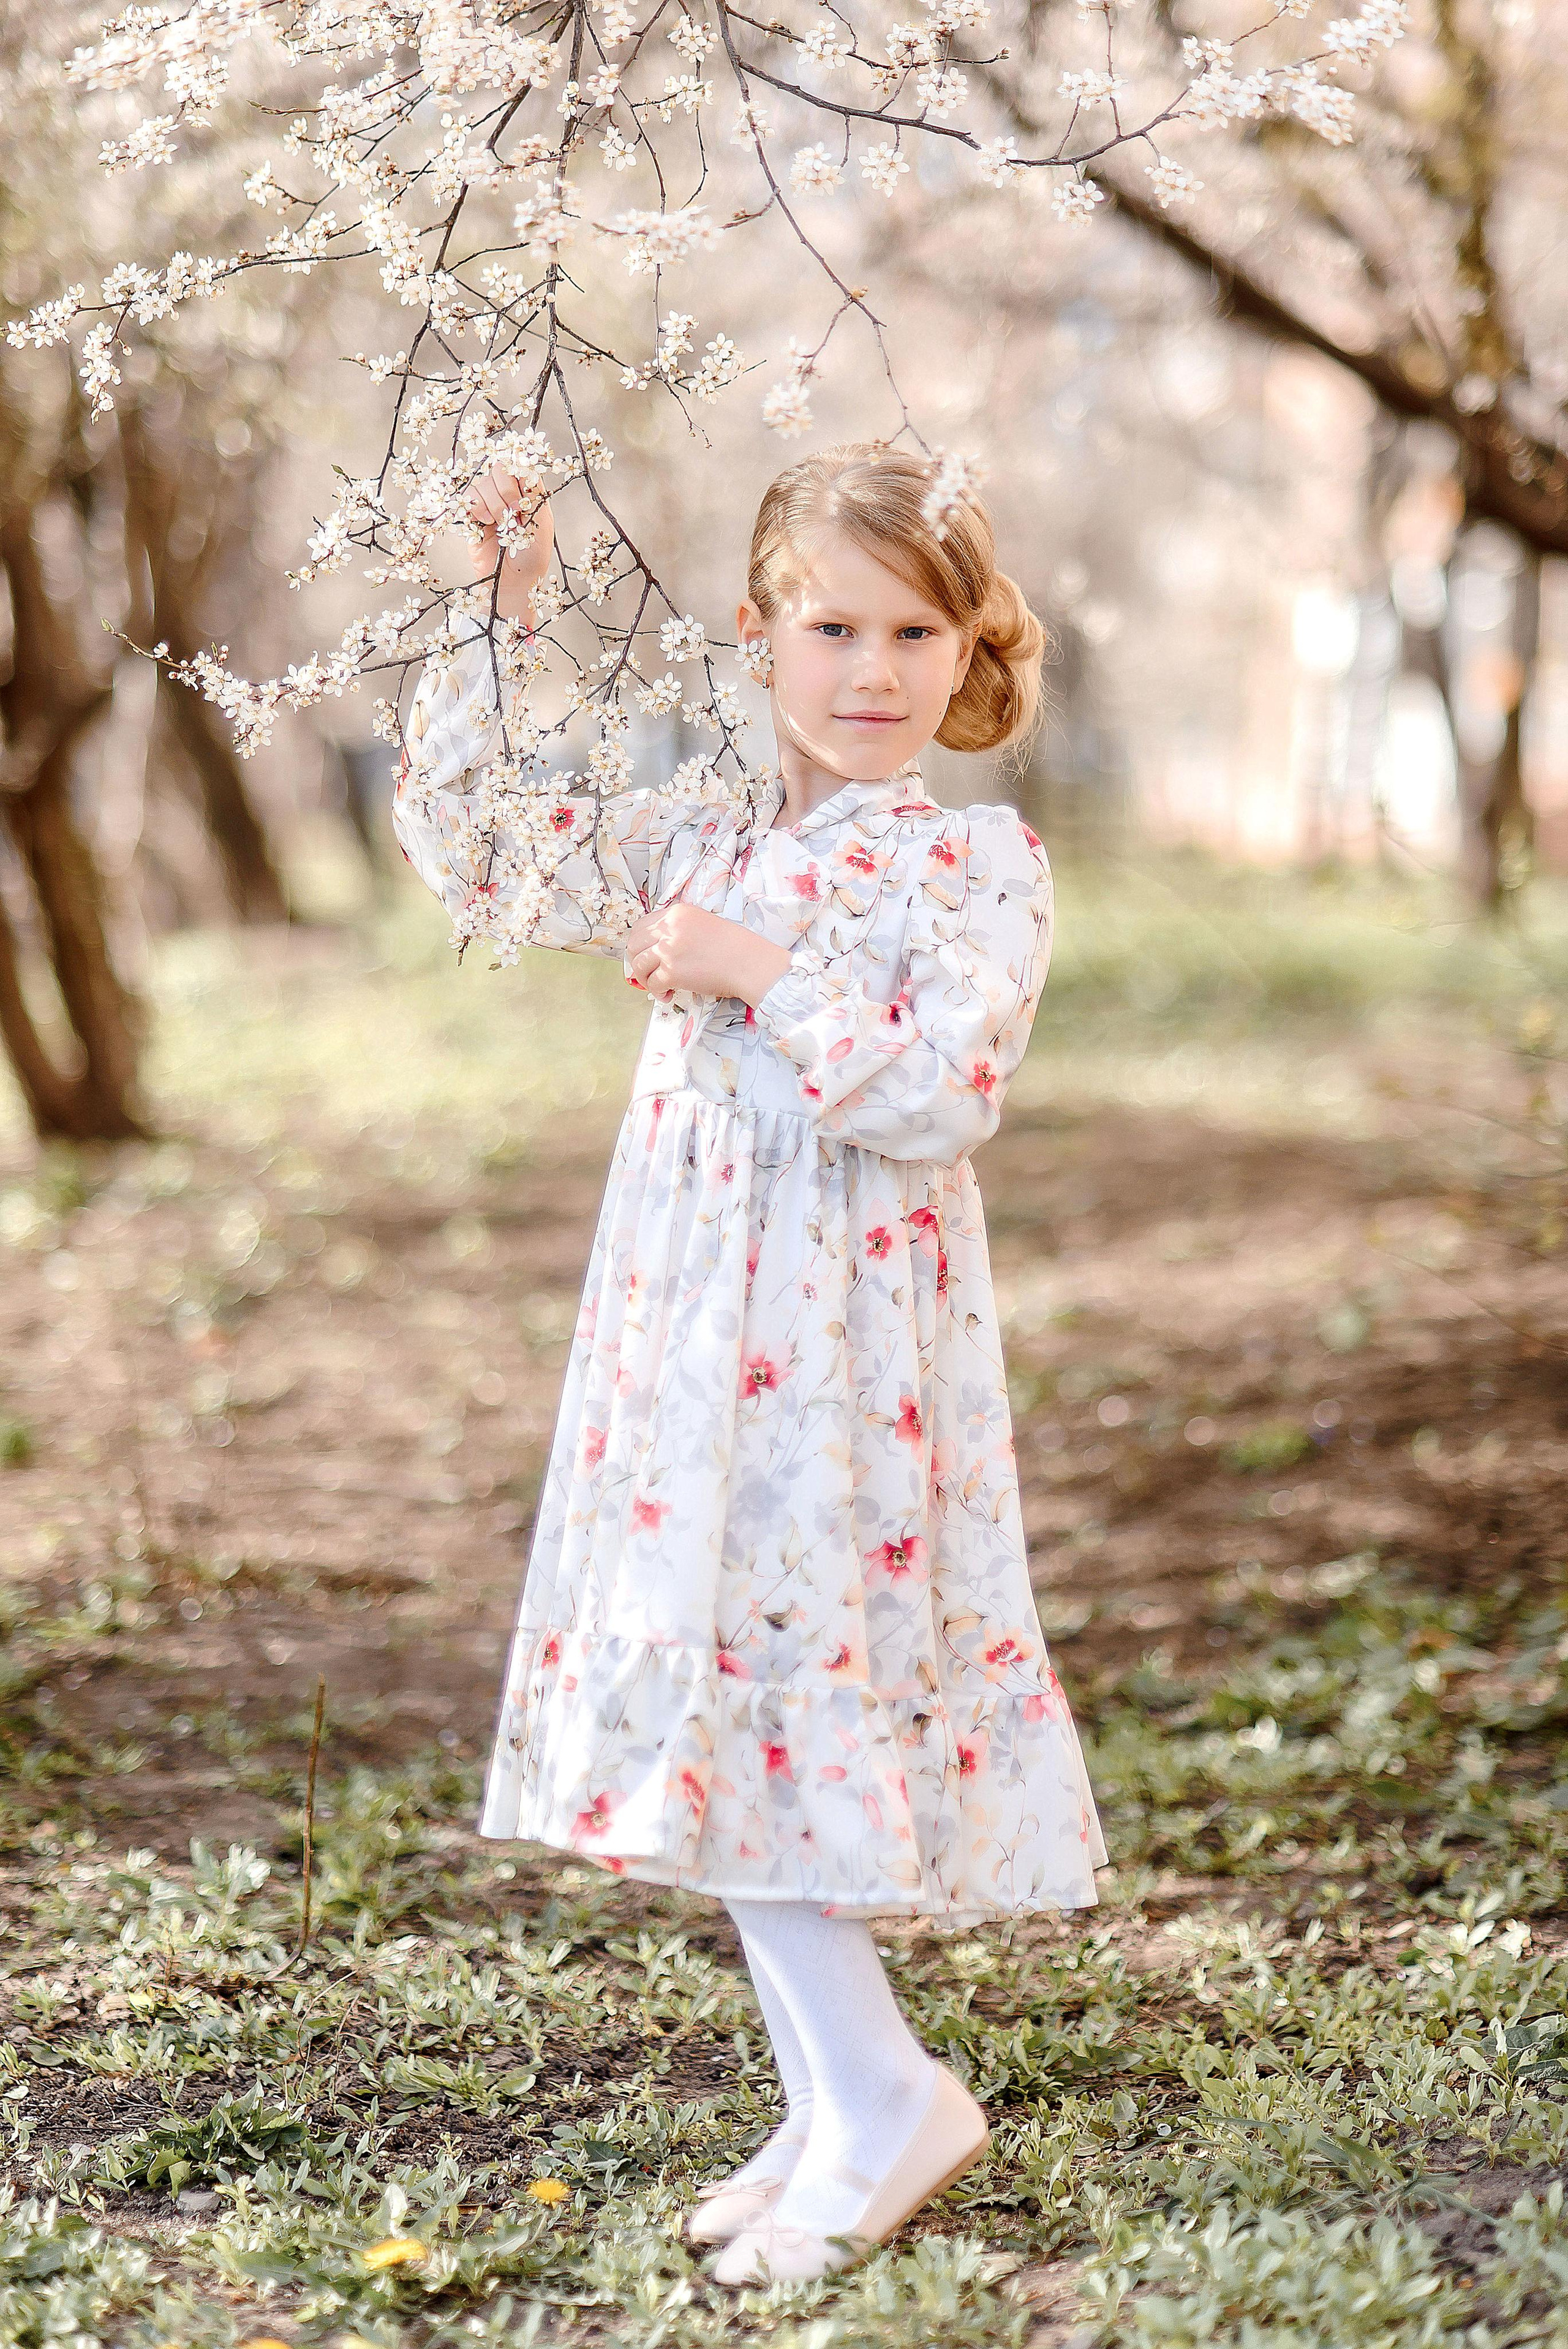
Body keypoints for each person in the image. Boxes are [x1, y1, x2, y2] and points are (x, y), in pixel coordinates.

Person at [392, 442, 1107, 2285]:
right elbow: (484, 850)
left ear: (968, 650)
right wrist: (504, 607)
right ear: (762, 632)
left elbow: (945, 1091)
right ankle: (825, 2098)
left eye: (914, 629)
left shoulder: (975, 861)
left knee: (771, 1673)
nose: (871, 669)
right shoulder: (701, 824)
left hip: (841, 1354)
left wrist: (755, 968)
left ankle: (884, 2093)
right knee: (701, 1676)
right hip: (688, 1322)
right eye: (832, 624)